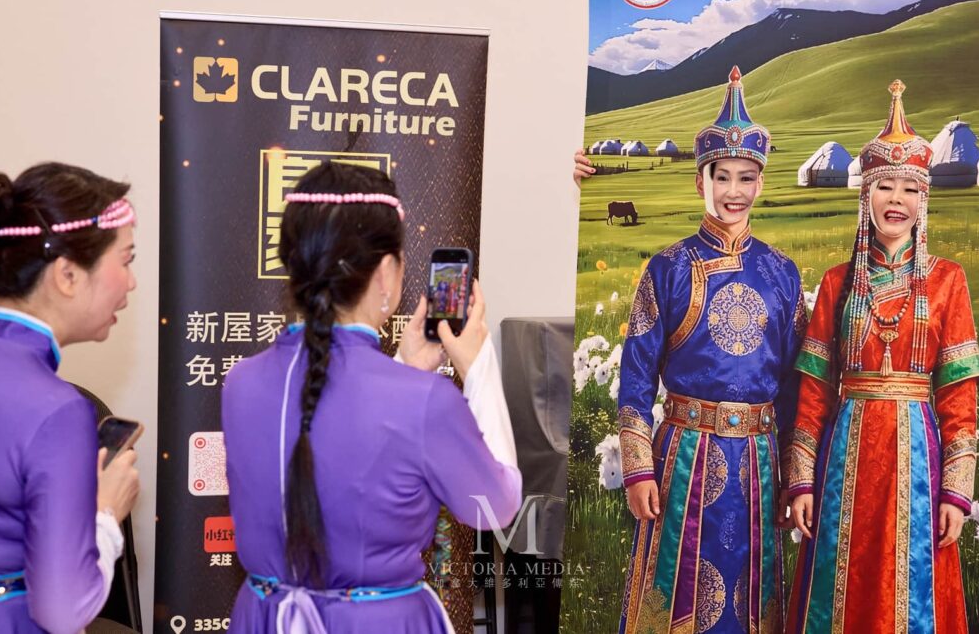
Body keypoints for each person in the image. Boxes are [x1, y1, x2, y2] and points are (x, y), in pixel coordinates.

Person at [221, 161, 522, 633]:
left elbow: (337, 435)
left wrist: (404, 368)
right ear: (386, 273)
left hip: (262, 618)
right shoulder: (424, 401)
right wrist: (478, 366)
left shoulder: (240, 382)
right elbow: (495, 506)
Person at [578, 66, 806, 633]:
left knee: (754, 603)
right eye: (721, 177)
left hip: (759, 464)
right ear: (699, 181)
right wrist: (638, 469)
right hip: (684, 459)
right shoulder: (667, 268)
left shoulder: (783, 273)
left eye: (746, 178)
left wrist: (795, 475)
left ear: (760, 184)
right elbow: (636, 378)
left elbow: (796, 385)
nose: (734, 191)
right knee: (676, 597)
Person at [785, 80, 979, 633]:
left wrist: (955, 492)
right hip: (844, 460)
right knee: (841, 581)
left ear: (924, 199)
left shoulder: (948, 281)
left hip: (919, 458)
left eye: (909, 189)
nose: (897, 200)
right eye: (884, 187)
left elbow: (959, 397)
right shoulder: (837, 283)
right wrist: (801, 481)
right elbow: (814, 392)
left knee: (912, 583)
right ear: (865, 195)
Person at [0, 163, 141, 634]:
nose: (131, 283)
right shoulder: (58, 409)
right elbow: (64, 610)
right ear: (68, 274)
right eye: (126, 260)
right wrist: (106, 514)